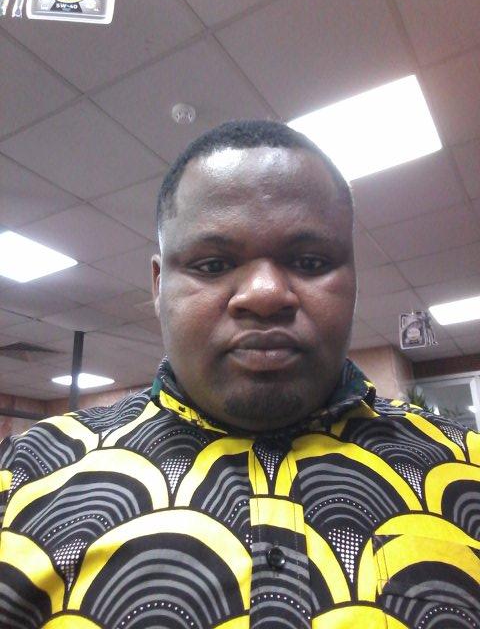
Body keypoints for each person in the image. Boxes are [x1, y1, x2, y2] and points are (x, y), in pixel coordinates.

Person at [1, 120, 480, 629]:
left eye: (310, 261)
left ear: (354, 278)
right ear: (159, 285)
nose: (265, 294)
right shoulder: (24, 475)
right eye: (212, 265)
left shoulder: (466, 468)